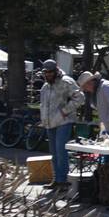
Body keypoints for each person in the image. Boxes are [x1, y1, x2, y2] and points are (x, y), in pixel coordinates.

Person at [38, 60, 83, 191]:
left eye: (50, 72)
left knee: (61, 151)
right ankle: (57, 179)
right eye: (46, 72)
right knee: (53, 153)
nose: (48, 75)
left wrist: (65, 111)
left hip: (64, 122)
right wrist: (43, 119)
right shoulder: (45, 86)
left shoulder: (67, 81)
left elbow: (80, 98)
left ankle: (63, 180)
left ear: (56, 71)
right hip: (49, 123)